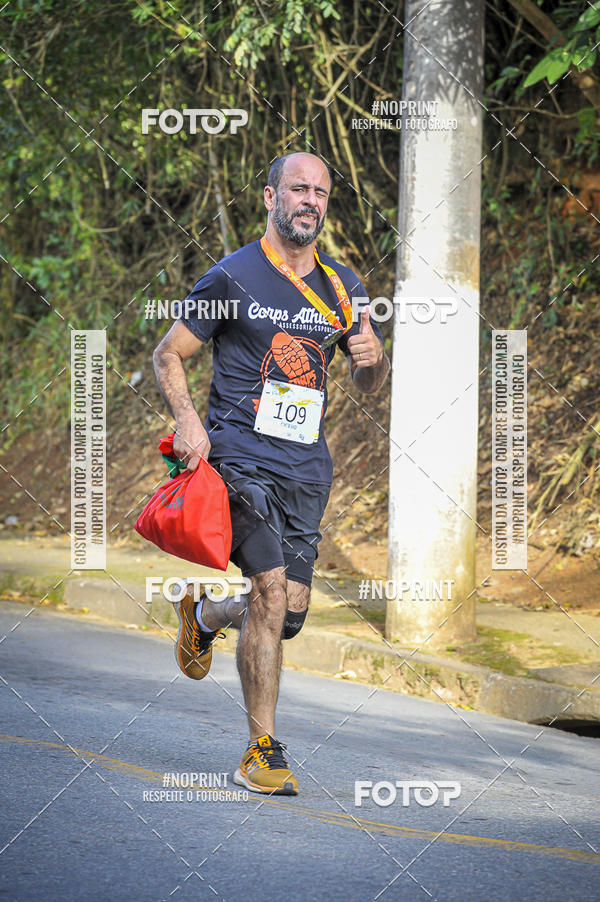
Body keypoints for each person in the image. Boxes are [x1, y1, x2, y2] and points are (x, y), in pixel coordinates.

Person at [153, 152, 389, 796]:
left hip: (305, 467)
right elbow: (168, 352)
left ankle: (203, 615)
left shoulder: (345, 287)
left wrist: (371, 359)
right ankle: (261, 749)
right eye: (297, 188)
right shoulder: (232, 275)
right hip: (238, 457)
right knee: (269, 585)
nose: (309, 199)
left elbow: (366, 382)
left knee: (289, 613)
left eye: (319, 191)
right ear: (270, 197)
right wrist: (189, 423)